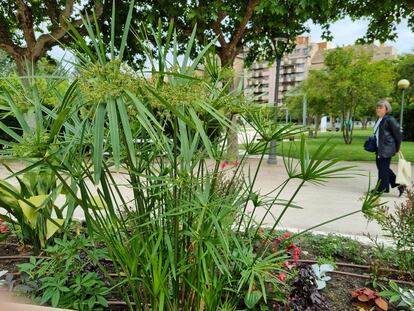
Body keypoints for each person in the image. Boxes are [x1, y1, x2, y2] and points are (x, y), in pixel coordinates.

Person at [372, 99, 405, 196]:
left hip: (386, 148)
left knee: (383, 169)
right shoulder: (379, 120)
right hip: (380, 148)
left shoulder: (390, 119)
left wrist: (397, 148)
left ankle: (381, 189)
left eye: (381, 108)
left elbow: (398, 135)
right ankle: (400, 185)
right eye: (377, 107)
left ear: (387, 109)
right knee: (384, 169)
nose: (378, 109)